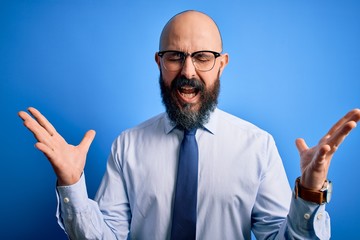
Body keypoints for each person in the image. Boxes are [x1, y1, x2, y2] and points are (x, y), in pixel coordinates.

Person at [18, 10, 359, 240]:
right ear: (159, 62)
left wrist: (311, 193)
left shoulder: (258, 145)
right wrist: (72, 184)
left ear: (222, 64)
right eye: (175, 56)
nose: (188, 72)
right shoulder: (127, 145)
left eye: (202, 57)